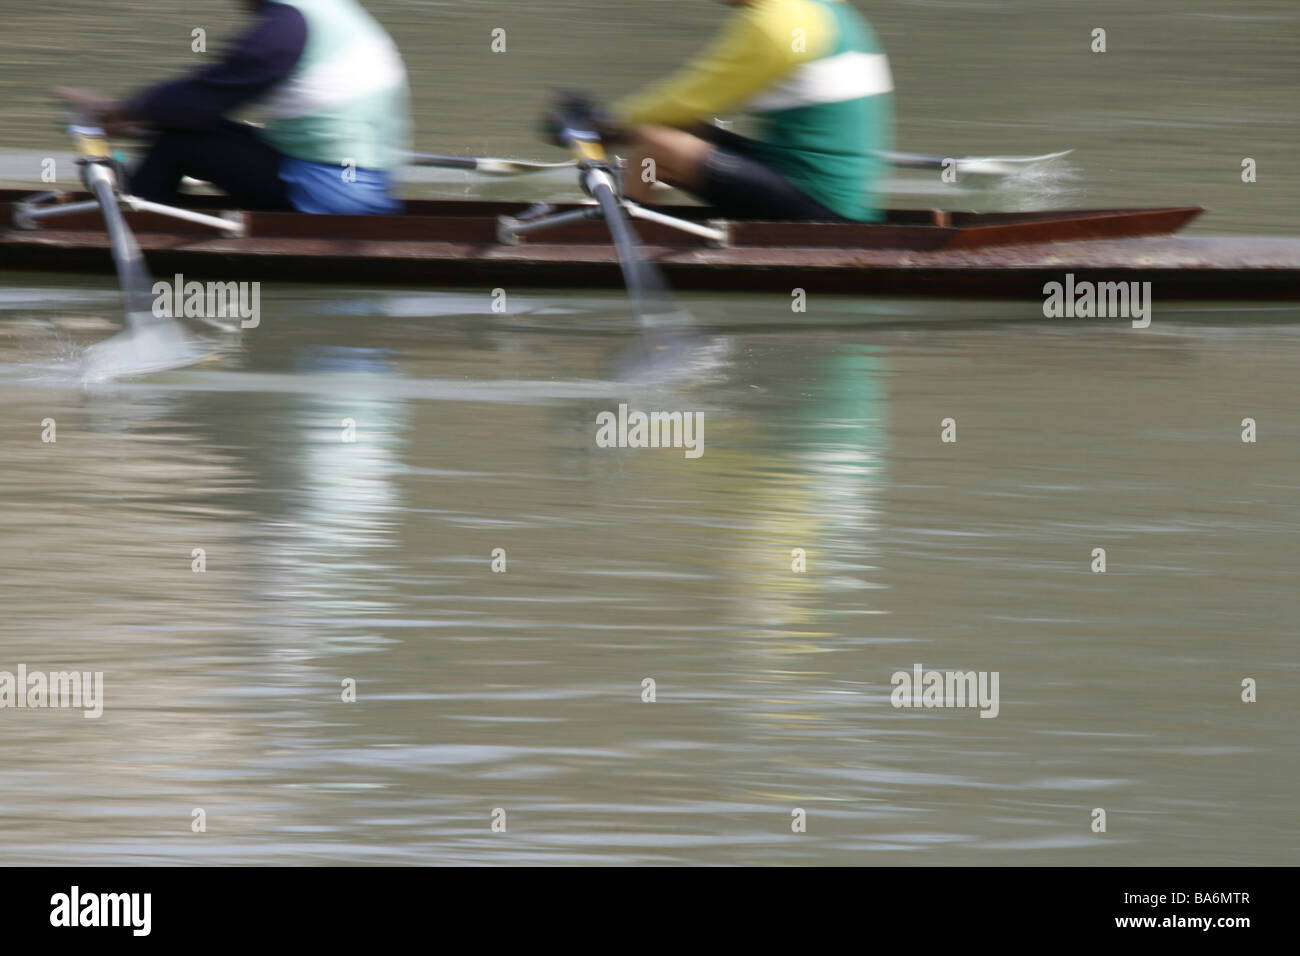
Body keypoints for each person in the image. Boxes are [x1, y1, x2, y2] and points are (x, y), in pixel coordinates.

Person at [55, 0, 411, 214]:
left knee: (178, 141)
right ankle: (147, 197)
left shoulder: (285, 27)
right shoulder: (330, 10)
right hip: (370, 186)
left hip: (326, 195)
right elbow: (206, 100)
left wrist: (122, 113)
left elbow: (201, 100)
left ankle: (139, 220)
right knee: (191, 129)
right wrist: (136, 116)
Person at [604, 0, 894, 222]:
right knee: (677, 129)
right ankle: (635, 215)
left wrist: (606, 124)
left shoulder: (778, 24)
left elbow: (691, 98)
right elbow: (681, 109)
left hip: (821, 206)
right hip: (815, 181)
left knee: (653, 145)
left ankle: (615, 239)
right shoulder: (824, 8)